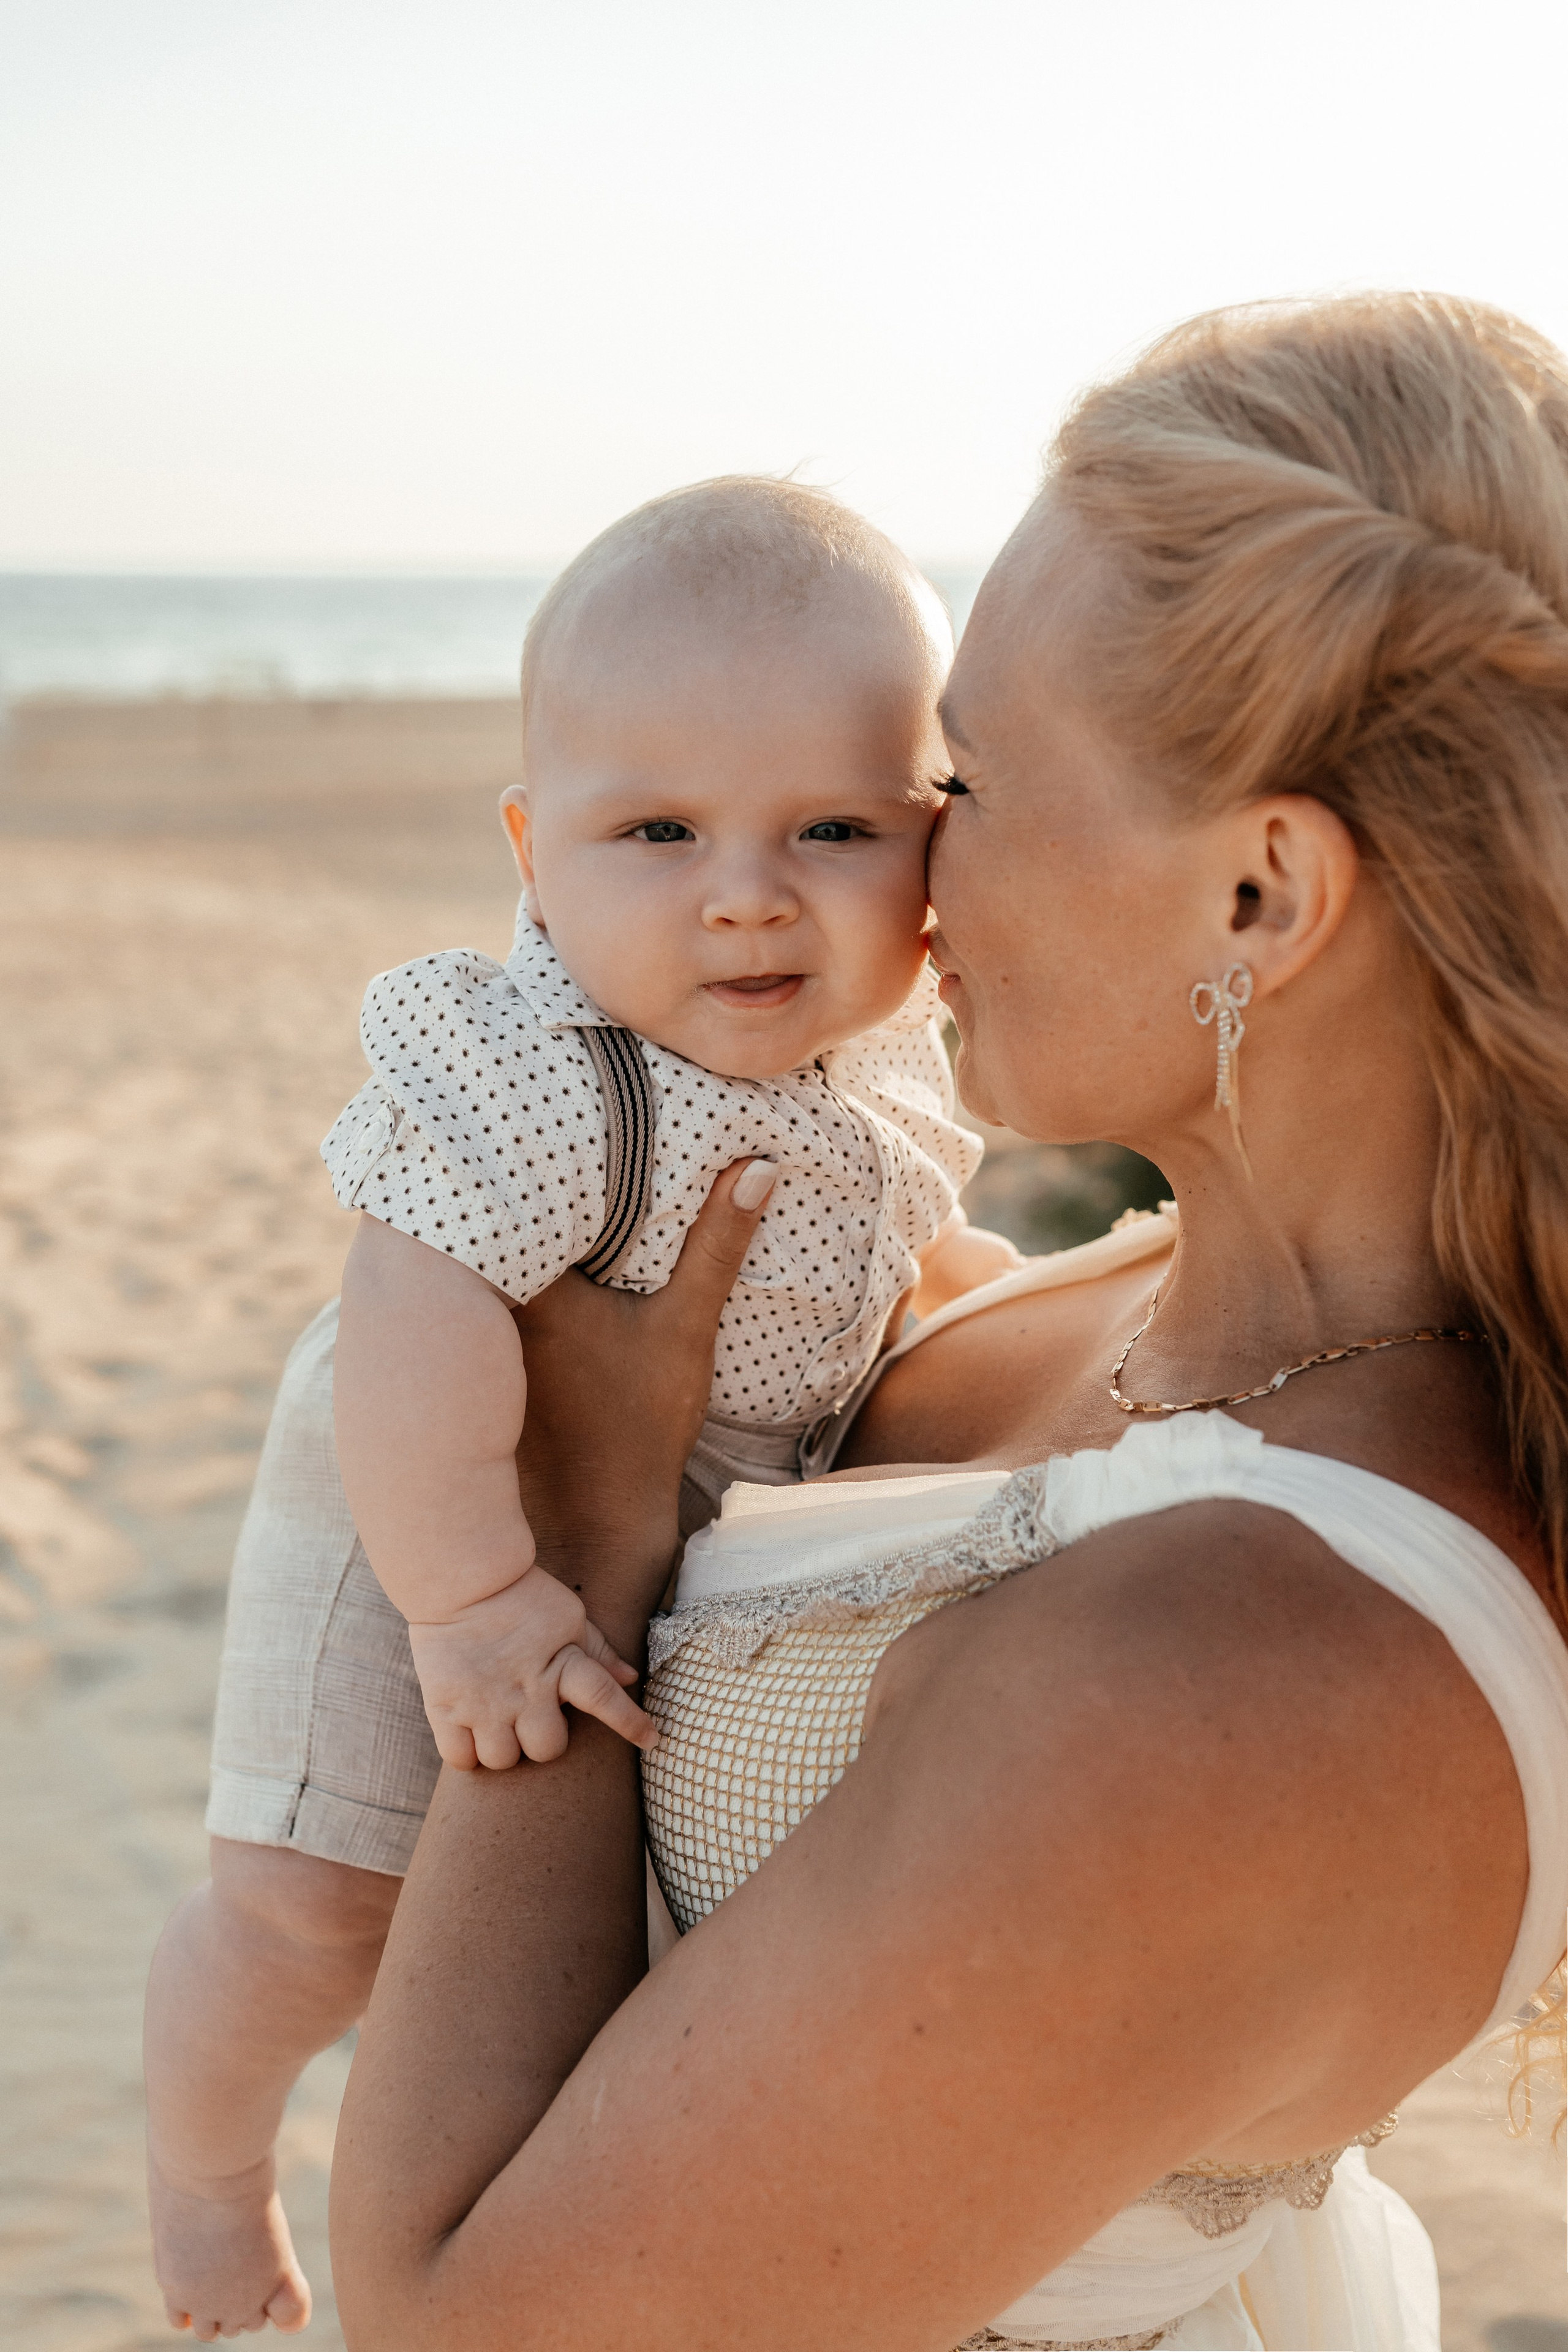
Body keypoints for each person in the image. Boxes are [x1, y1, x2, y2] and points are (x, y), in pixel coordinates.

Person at [326, 292, 1568, 2351]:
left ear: (1259, 897)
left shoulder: (1234, 1693)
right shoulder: (1132, 1292)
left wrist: (589, 1545)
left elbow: (461, 2324)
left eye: (960, 779)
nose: (901, 867)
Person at [141, 477, 1022, 2339]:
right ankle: (210, 2176)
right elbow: (408, 1306)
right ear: (536, 853)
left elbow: (898, 1246)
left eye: (837, 827)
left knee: (552, 1942)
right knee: (314, 1908)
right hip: (421, 1508)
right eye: (661, 830)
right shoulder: (549, 1079)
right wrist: (466, 1594)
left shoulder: (881, 1076)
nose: (747, 891)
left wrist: (1005, 1305)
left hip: (660, 1529)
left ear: (936, 846)